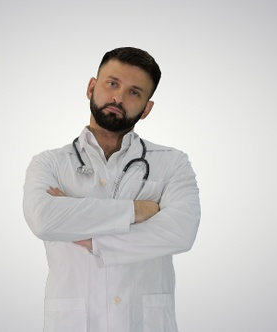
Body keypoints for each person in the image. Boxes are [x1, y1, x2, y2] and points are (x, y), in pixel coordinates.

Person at [23, 47, 201, 332]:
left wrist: (91, 239)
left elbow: (181, 232)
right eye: (112, 84)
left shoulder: (172, 162)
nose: (118, 97)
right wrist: (137, 210)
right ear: (92, 87)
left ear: (146, 109)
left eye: (134, 93)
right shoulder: (49, 163)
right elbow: (44, 220)